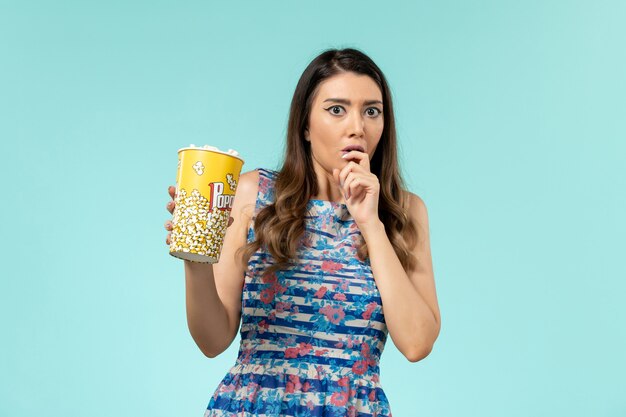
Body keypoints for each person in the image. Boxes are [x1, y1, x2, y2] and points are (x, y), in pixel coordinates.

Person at [164, 47, 441, 417]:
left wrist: (371, 223)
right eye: (336, 109)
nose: (356, 126)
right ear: (306, 126)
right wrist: (195, 258)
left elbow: (417, 342)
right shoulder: (253, 194)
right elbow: (212, 341)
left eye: (371, 111)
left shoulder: (404, 212)